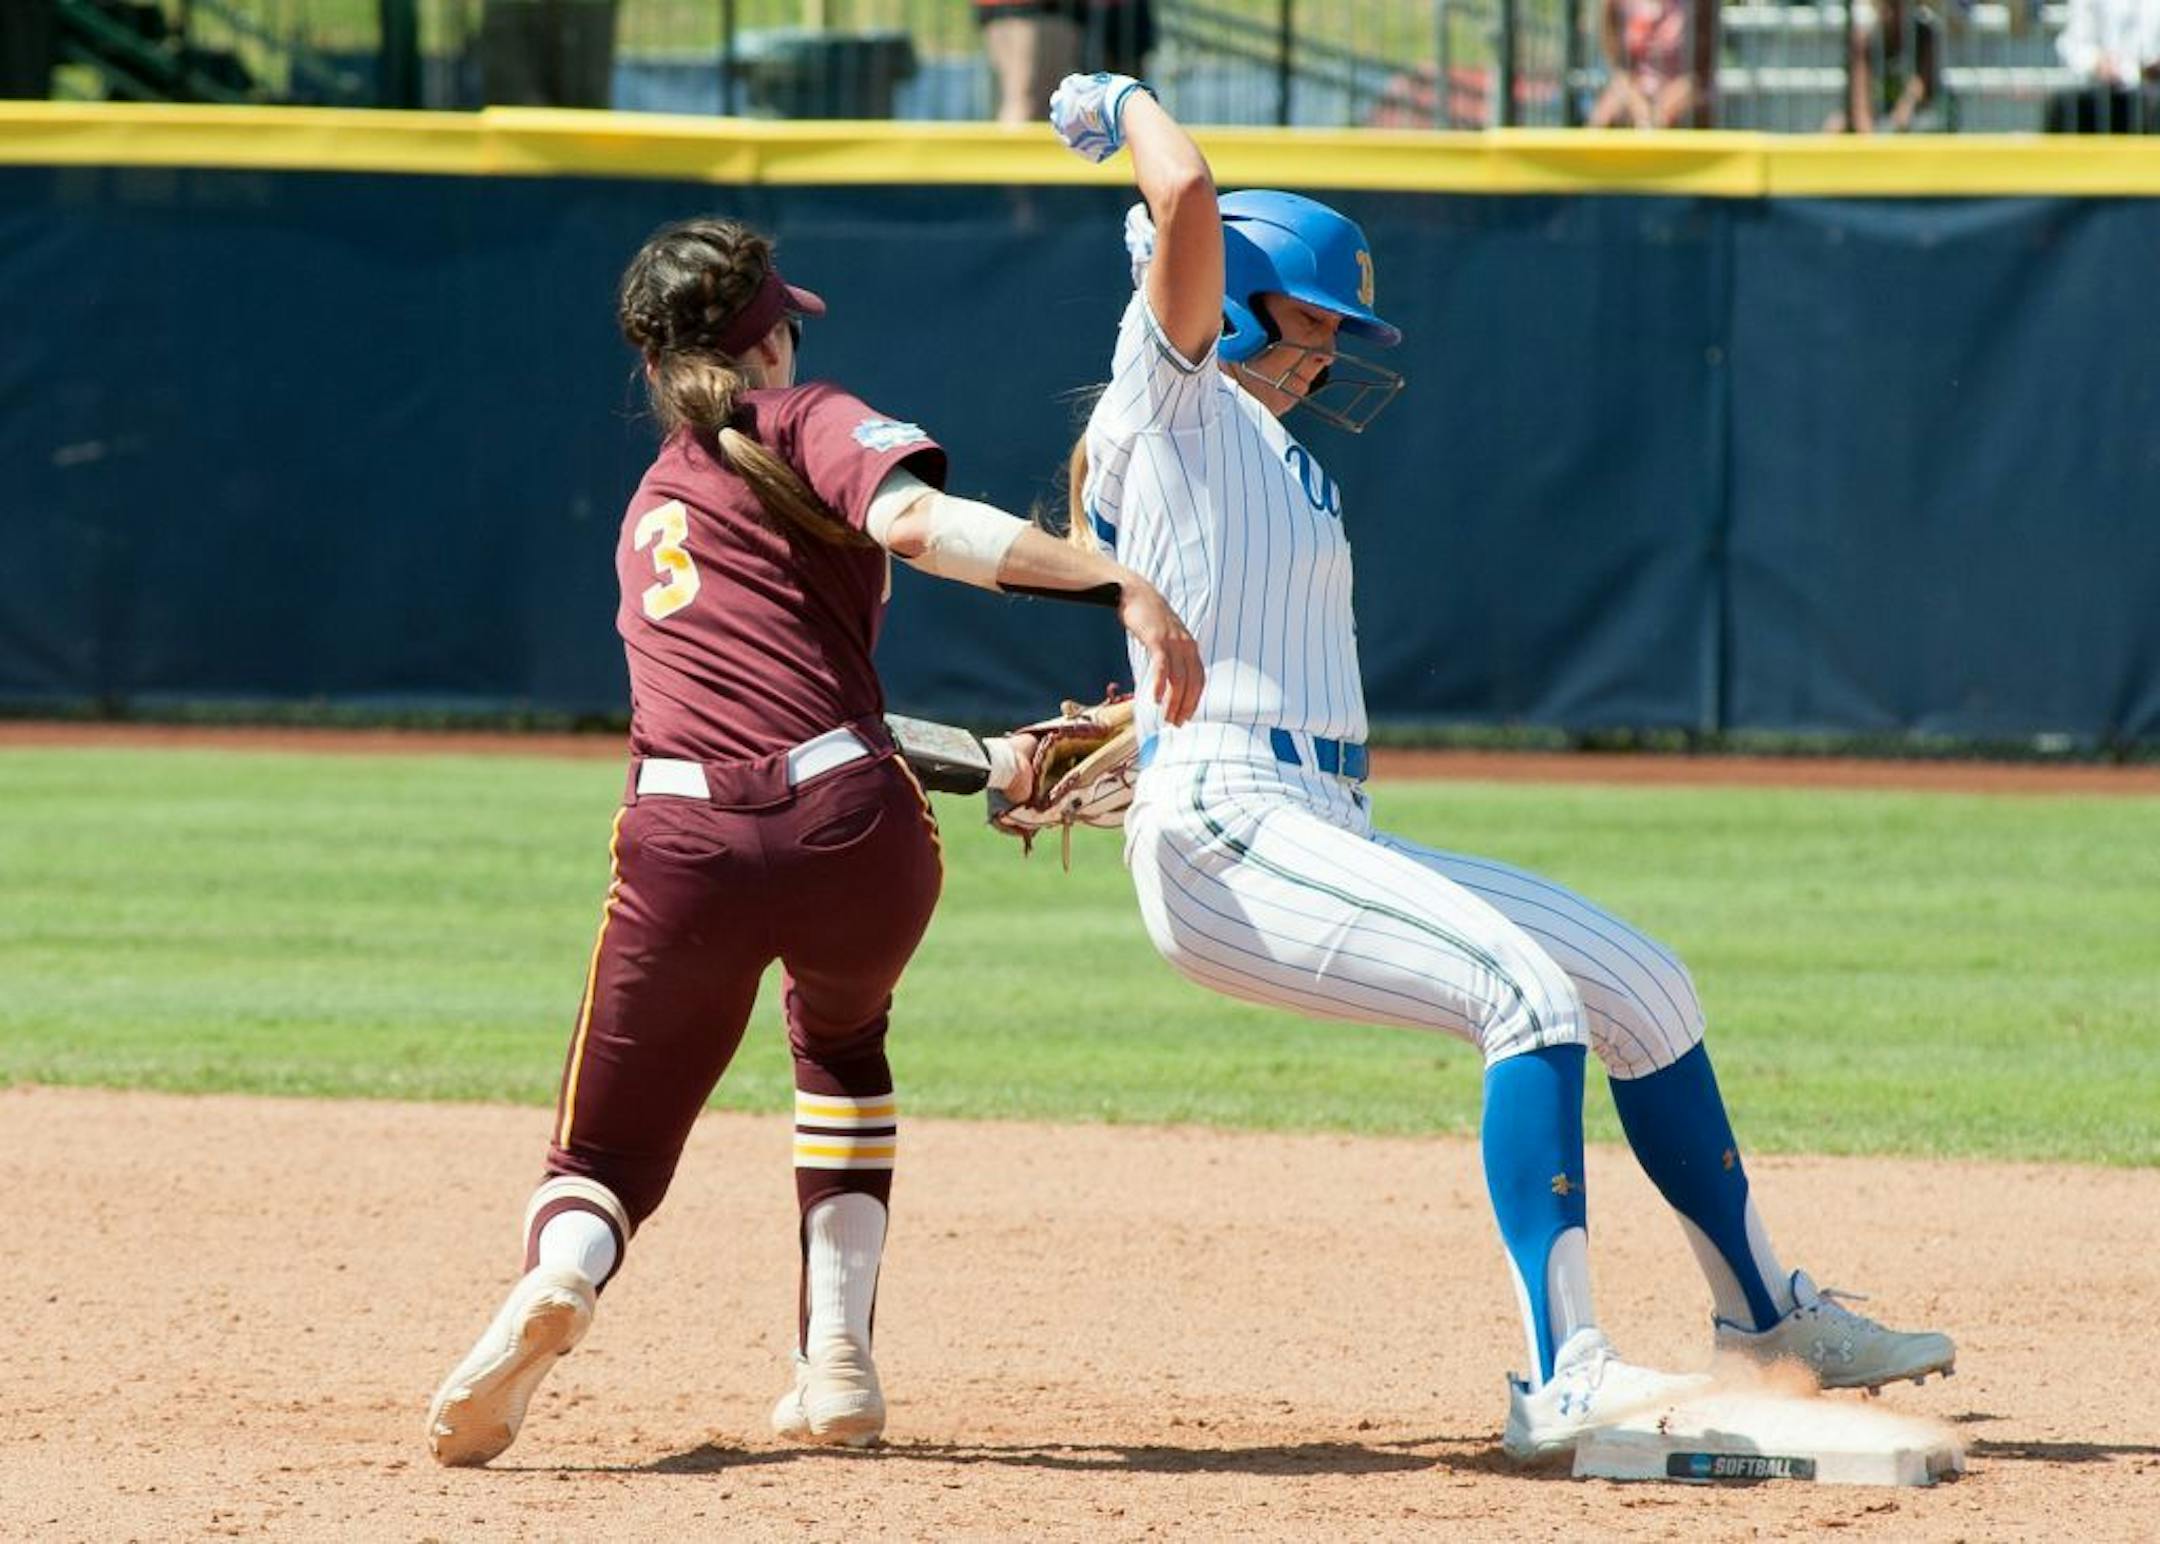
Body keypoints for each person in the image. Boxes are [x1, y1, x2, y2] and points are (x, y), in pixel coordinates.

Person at [1045, 71, 1957, 1461]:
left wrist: (1125, 722)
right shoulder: (1163, 399)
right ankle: (1564, 1379)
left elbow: (1212, 630)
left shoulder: (1255, 448)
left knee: (1642, 985)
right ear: (1224, 298)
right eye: (1308, 322)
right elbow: (1182, 194)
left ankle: (1766, 1316)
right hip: (1227, 826)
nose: (1326, 355)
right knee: (1523, 995)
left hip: (1306, 813)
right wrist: (1121, 99)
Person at [424, 215, 1203, 1466]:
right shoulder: (805, 418)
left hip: (680, 837)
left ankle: (561, 1274)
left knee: (607, 1149)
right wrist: (1110, 580)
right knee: (840, 1043)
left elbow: (757, 709)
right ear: (768, 337)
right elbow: (916, 527)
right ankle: (837, 1360)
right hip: (855, 832)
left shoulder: (654, 503)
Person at [976, 0, 1153, 126]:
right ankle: (1015, 176)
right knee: (1027, 101)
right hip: (1037, 9)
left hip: (1096, 11)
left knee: (1122, 104)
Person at [2045, 0, 2160, 133]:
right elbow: (2073, 44)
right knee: (2065, 106)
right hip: (2098, 87)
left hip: (2150, 88)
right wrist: (2096, 61)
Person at [1587, 0, 1696, 129]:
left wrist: (1661, 111)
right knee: (1602, 120)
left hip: (1685, 88)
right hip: (1630, 87)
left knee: (1667, 121)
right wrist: (1639, 106)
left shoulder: (1696, 4)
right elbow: (1617, 66)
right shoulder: (1614, 4)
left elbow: (1700, 71)